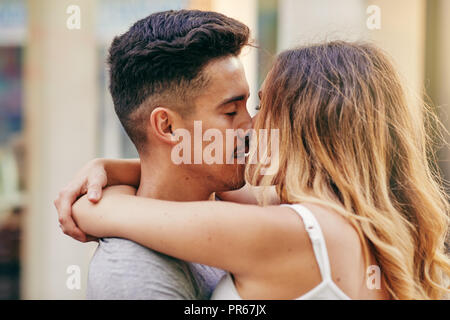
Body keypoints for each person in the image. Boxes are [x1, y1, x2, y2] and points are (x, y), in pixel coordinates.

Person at [58, 41, 450, 300]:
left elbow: (97, 210)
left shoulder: (295, 231)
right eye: (235, 111)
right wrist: (111, 165)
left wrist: (96, 186)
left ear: (307, 128)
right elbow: (215, 177)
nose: (251, 125)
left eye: (262, 108)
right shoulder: (356, 220)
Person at [54, 9, 258, 299]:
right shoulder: (135, 274)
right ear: (168, 126)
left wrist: (110, 168)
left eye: (247, 106)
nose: (250, 127)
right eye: (230, 111)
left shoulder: (239, 203)